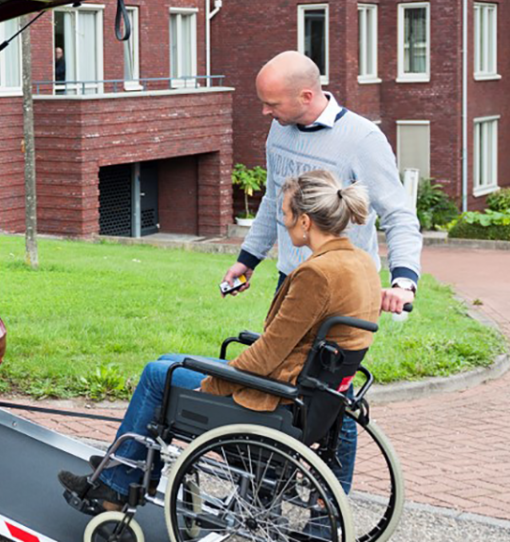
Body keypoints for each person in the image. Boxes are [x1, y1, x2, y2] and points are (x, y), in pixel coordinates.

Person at [59, 168, 383, 509]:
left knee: (158, 375)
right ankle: (125, 465)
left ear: (305, 221)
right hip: (311, 390)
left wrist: (214, 385)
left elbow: (269, 353)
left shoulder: (317, 274)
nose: (283, 222)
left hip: (279, 397)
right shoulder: (360, 263)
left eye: (285, 213)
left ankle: (116, 485)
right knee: (170, 359)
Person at [225, 50, 423, 493]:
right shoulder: (280, 130)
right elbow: (275, 204)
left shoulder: (361, 139)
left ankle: (330, 502)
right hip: (294, 282)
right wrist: (248, 259)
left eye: (273, 104)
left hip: (344, 289)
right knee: (280, 386)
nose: (265, 113)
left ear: (307, 95)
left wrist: (403, 279)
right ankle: (268, 489)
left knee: (331, 398)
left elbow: (398, 214)